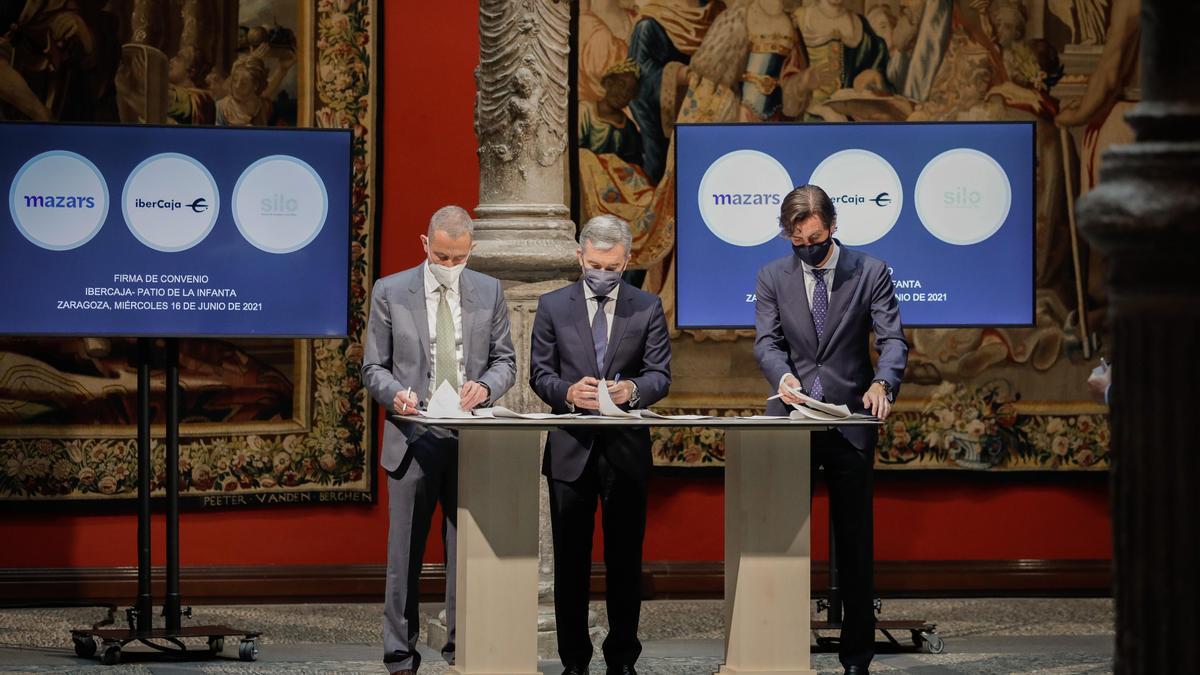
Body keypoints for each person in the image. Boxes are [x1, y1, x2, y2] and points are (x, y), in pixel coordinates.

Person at [753, 185, 907, 675]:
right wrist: (782, 375)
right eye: (797, 242)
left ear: (833, 227)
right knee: (781, 541)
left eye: (815, 239)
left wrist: (883, 381)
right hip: (793, 420)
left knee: (855, 545)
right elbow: (767, 342)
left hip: (849, 423)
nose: (806, 248)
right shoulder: (772, 275)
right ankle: (777, 651)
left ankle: (857, 660)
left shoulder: (871, 272)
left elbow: (893, 339)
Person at [361, 205, 516, 675]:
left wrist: (486, 387)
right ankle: (400, 658)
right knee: (404, 556)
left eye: (459, 258)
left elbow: (505, 361)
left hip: (469, 438)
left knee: (466, 556)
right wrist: (397, 395)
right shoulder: (390, 291)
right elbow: (373, 368)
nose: (450, 267)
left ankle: (461, 651)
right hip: (413, 436)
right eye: (443, 257)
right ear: (426, 245)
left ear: (471, 251)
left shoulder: (488, 291)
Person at [530, 215, 672, 675]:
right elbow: (540, 374)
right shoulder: (552, 306)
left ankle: (622, 659)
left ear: (627, 261)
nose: (603, 273)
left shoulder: (646, 307)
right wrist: (568, 393)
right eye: (595, 264)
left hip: (625, 452)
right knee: (570, 565)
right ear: (580, 257)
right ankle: (574, 661)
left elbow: (659, 377)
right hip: (570, 450)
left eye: (612, 267)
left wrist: (633, 391)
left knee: (624, 563)